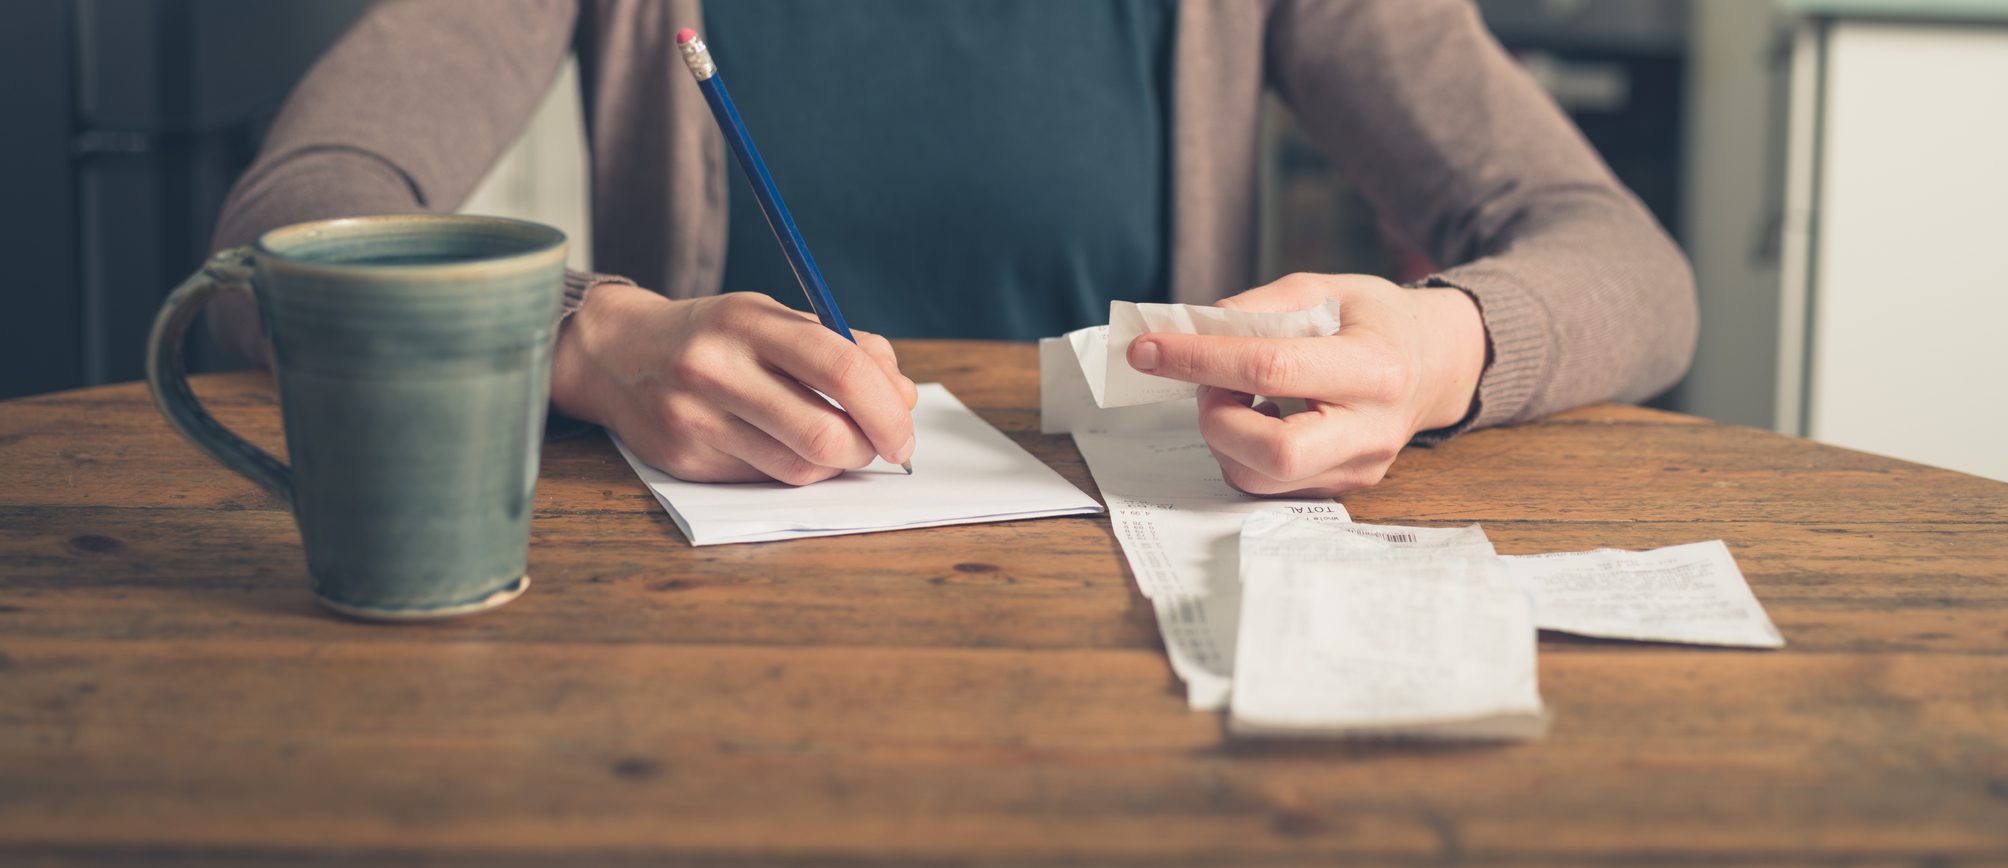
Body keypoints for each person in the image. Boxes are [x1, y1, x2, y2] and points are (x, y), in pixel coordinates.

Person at [209, 0, 1696, 498]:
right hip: (688, 626)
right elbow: (281, 234)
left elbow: (1623, 264)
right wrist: (578, 331)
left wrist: (1439, 350)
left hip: (1149, 638)